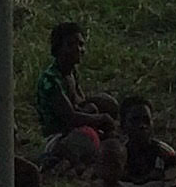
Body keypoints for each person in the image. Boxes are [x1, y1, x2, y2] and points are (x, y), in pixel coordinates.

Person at [32, 21, 117, 175]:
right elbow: (69, 117)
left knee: (106, 103)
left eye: (80, 44)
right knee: (88, 135)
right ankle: (63, 159)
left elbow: (80, 105)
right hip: (57, 137)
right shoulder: (50, 79)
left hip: (72, 128)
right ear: (58, 48)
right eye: (71, 44)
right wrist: (100, 118)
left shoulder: (71, 73)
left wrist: (96, 111)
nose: (78, 49)